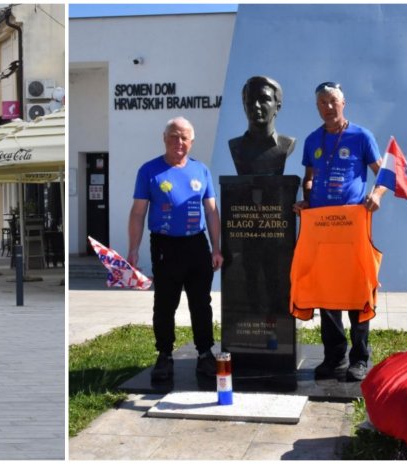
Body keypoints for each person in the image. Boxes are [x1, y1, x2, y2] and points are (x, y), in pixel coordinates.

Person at [293, 81, 386, 381]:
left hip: (352, 224)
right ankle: (334, 357)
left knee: (358, 288)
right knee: (326, 289)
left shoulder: (361, 136)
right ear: (317, 107)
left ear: (344, 103)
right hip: (321, 227)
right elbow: (308, 178)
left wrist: (377, 195)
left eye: (333, 101)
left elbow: (382, 174)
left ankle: (360, 358)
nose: (328, 107)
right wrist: (306, 200)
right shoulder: (311, 141)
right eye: (322, 102)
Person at [127, 117, 224, 381]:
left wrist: (216, 248)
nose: (178, 142)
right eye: (173, 136)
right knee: (165, 303)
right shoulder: (149, 171)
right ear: (164, 138)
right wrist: (133, 250)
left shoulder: (201, 170)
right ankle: (164, 356)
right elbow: (138, 213)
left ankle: (205, 354)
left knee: (201, 303)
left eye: (184, 138)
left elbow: (212, 212)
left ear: (191, 142)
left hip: (197, 244)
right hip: (165, 246)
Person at [229, 75, 296, 175]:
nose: (256, 105)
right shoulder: (235, 146)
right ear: (244, 106)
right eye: (250, 99)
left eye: (264, 99)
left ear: (277, 107)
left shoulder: (287, 144)